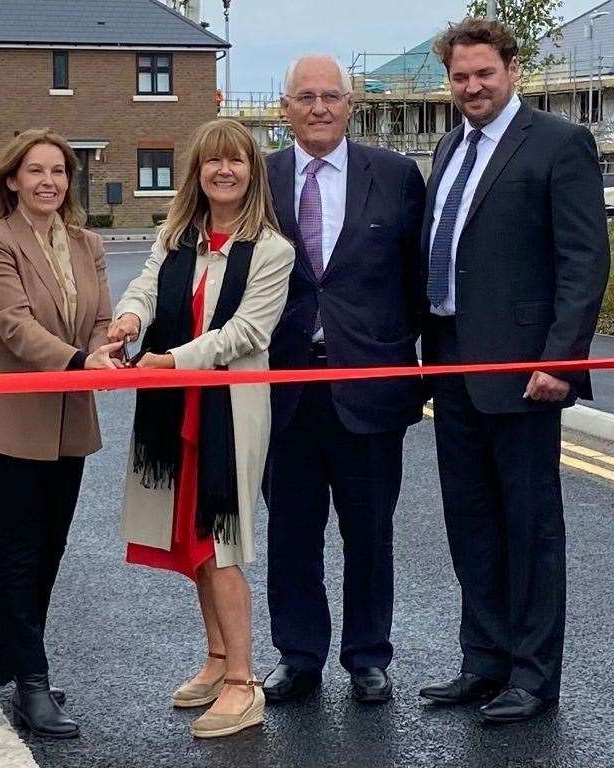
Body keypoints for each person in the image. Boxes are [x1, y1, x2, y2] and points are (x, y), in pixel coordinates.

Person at [419, 19, 610, 724]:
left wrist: (561, 359)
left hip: (526, 373)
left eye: (483, 74)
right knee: (470, 522)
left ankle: (533, 677)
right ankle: (484, 662)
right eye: (460, 77)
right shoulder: (447, 145)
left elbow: (585, 260)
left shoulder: (560, 144)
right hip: (450, 366)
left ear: (513, 70)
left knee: (530, 529)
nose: (471, 87)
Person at [109, 119, 294, 739]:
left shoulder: (272, 249)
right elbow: (141, 288)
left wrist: (171, 359)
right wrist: (128, 323)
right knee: (191, 540)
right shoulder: (175, 235)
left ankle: (244, 683)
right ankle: (217, 657)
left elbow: (248, 334)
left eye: (236, 162)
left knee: (222, 542)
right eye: (212, 162)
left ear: (252, 172)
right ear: (197, 171)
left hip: (227, 411)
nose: (223, 171)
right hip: (171, 406)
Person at [260, 55, 426, 705]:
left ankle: (367, 656)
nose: (320, 107)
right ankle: (299, 656)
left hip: (369, 386)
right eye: (306, 96)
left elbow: (416, 277)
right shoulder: (260, 178)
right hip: (285, 387)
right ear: (286, 107)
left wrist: (400, 355)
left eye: (332, 96)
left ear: (351, 104)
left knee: (370, 532)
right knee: (291, 532)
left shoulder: (394, 174)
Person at [0, 128, 123, 739]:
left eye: (58, 171)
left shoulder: (86, 243)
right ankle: (31, 684)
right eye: (35, 171)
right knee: (23, 547)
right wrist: (80, 361)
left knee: (51, 549)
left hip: (71, 419)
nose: (48, 182)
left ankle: (17, 656)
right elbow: (12, 324)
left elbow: (103, 317)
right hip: (12, 421)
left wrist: (104, 348)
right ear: (12, 180)